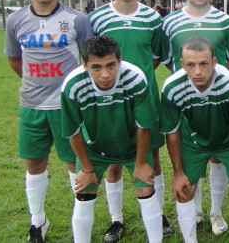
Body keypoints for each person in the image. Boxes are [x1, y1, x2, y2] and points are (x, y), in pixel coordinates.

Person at [5, 0, 94, 243]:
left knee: (75, 165)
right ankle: (37, 222)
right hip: (31, 106)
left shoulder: (77, 20)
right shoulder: (16, 20)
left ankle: (79, 227)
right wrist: (36, 83)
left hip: (66, 108)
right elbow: (15, 60)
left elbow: (89, 62)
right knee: (34, 164)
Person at [87, 0, 172, 242]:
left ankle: (157, 212)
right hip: (108, 102)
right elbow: (91, 59)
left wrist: (139, 80)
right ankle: (116, 220)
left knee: (152, 157)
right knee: (113, 162)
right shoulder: (97, 18)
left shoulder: (152, 18)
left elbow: (157, 55)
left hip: (145, 99)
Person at [161, 0, 229, 235]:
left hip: (217, 104)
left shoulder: (225, 21)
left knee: (218, 157)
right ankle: (194, 211)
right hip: (185, 105)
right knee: (187, 160)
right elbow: (168, 62)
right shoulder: (170, 22)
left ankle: (216, 212)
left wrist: (211, 86)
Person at [61, 36, 162, 243]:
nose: (105, 74)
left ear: (119, 60)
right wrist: (87, 169)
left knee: (146, 188)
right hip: (95, 149)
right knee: (84, 195)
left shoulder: (135, 78)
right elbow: (73, 130)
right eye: (96, 67)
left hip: (133, 147)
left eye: (111, 65)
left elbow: (144, 126)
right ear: (85, 65)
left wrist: (141, 163)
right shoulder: (72, 85)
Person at [160, 36, 229, 243]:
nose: (197, 71)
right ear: (182, 64)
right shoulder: (171, 87)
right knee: (184, 191)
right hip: (193, 141)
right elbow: (172, 131)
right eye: (191, 65)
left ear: (213, 62)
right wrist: (178, 173)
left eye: (203, 64)